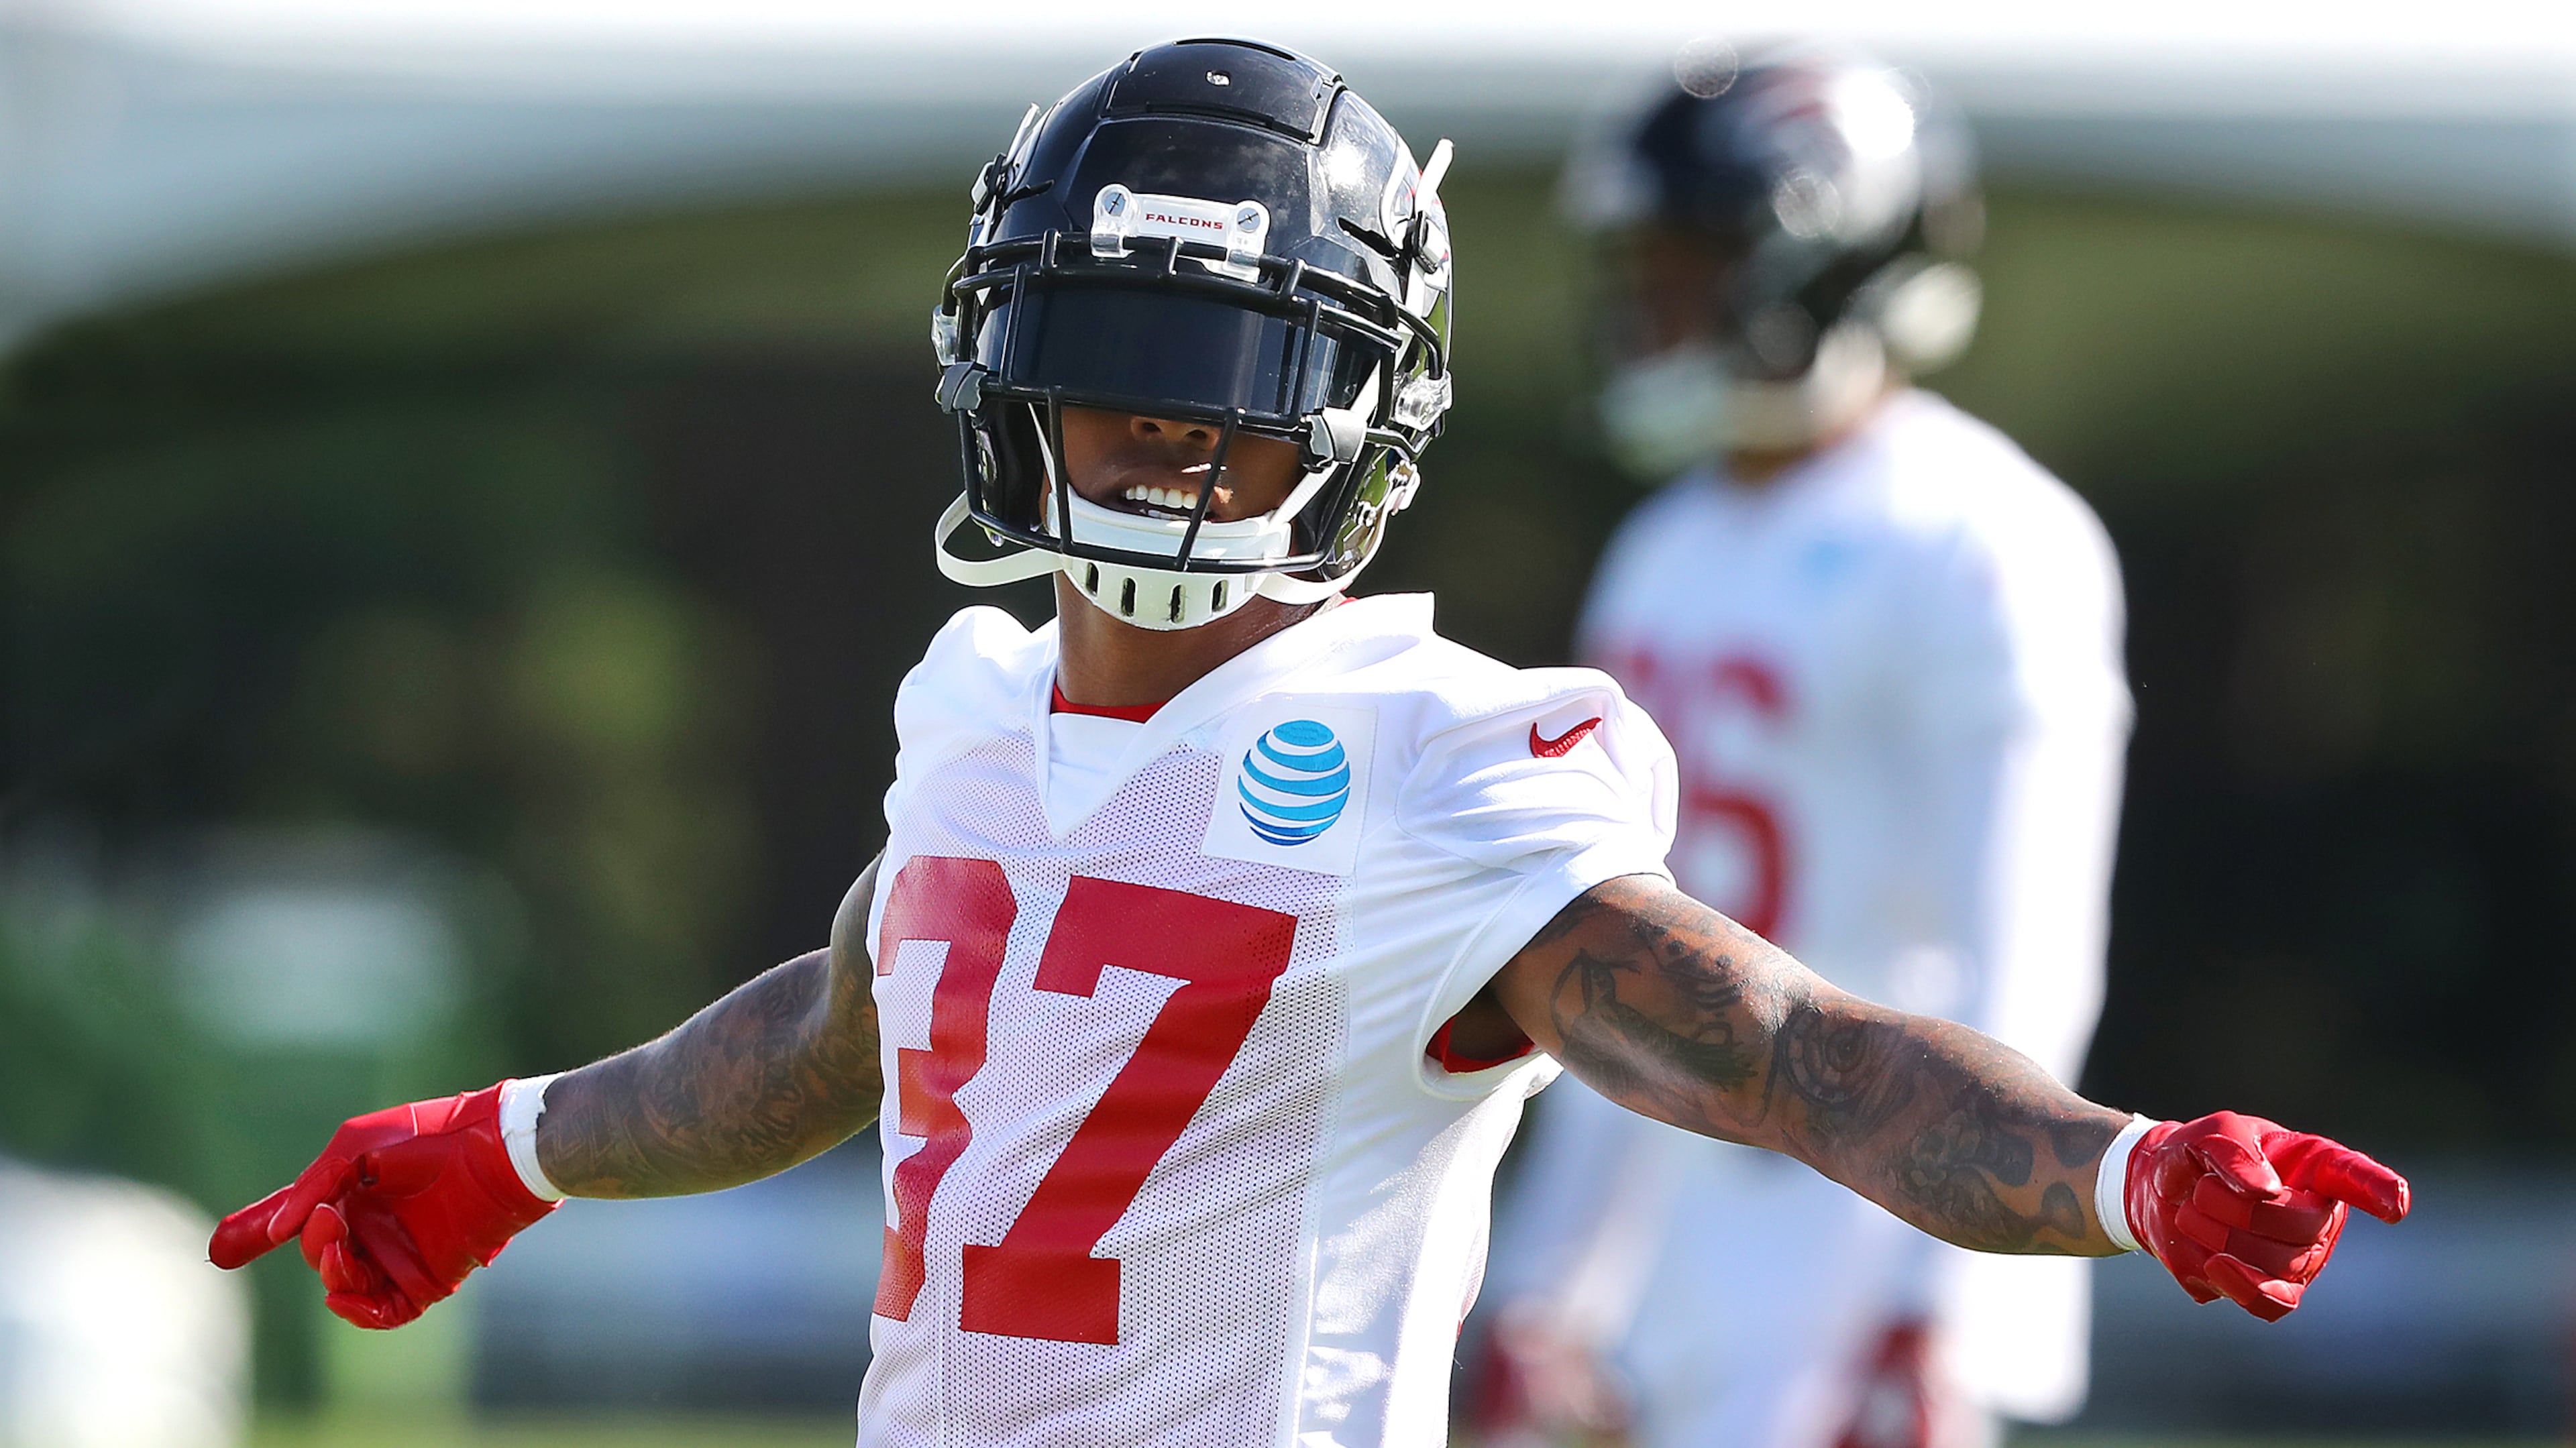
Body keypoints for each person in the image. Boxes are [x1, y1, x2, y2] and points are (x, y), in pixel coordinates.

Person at [209, 38, 2408, 1448]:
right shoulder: (971, 715)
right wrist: (503, 1145)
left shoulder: (1440, 763)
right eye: (1117, 365)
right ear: (1007, 368)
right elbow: (829, 1030)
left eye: (1231, 382)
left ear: (1357, 426)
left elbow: (1784, 1053)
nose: (1166, 434)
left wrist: (2122, 1171)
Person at [1478, 50, 2129, 1448]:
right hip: (1677, 1229)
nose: (1653, 302)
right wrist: (1547, 1288)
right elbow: (1615, 954)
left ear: (1827, 262)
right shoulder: (1667, 548)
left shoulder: (1985, 537)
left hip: (1865, 1230)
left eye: (1694, 259)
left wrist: (1942, 1309)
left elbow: (2023, 947)